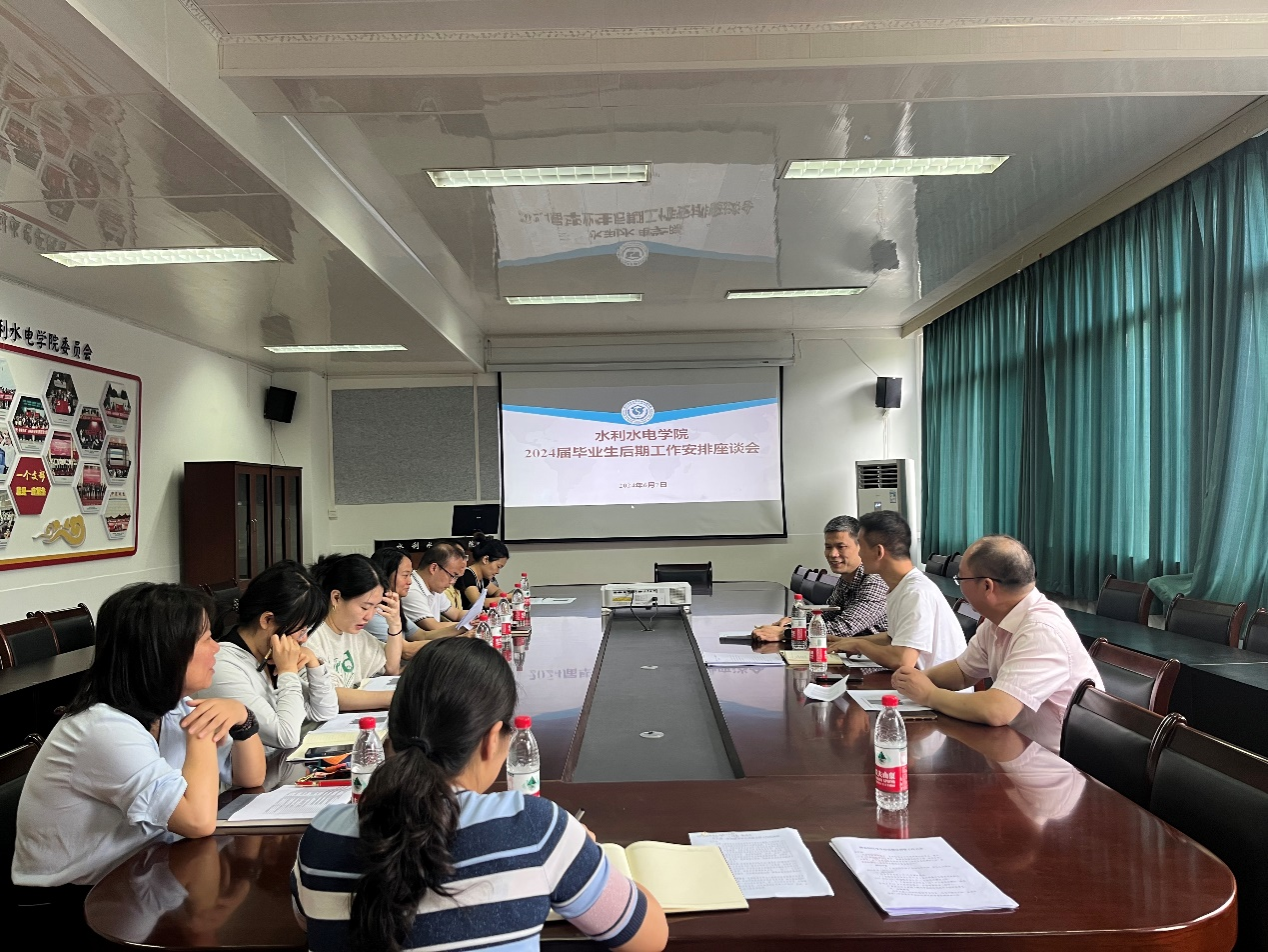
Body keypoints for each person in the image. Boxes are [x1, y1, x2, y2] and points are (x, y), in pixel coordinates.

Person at [292, 637, 668, 952]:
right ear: (491, 740)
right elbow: (648, 938)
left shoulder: (322, 835)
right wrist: (577, 854)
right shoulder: (534, 829)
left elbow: (309, 920)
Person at [13, 583, 267, 892]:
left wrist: (243, 720)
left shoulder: (171, 707)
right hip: (78, 897)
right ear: (164, 652)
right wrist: (201, 732)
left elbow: (248, 778)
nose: (217, 648)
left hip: (143, 869)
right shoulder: (103, 728)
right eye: (205, 639)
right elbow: (198, 821)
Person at [891, 534, 1104, 752]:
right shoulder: (999, 620)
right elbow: (962, 672)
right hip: (1018, 746)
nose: (959, 586)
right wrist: (915, 681)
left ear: (987, 586)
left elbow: (997, 710)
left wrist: (930, 695)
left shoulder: (1041, 631)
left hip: (1054, 760)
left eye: (961, 579)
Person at [196, 561, 339, 749]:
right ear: (267, 620)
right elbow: (286, 737)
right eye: (301, 629)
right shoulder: (222, 665)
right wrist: (288, 672)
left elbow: (326, 712)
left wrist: (313, 663)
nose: (304, 639)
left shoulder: (266, 658)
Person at [831, 510, 966, 672]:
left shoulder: (915, 592)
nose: (859, 553)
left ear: (879, 552)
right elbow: (893, 638)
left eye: (861, 546)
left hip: (937, 686)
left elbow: (902, 660)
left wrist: (859, 645)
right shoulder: (900, 586)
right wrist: (845, 641)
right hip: (918, 681)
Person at [754, 515, 888, 641]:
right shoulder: (846, 577)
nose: (833, 554)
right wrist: (794, 622)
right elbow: (829, 615)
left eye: (841, 547)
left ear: (861, 547)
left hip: (872, 655)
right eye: (828, 547)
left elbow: (843, 629)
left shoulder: (875, 581)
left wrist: (786, 633)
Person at [306, 554, 404, 711]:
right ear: (336, 598)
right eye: (365, 607)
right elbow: (330, 696)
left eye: (375, 607)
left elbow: (391, 668)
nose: (369, 616)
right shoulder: (310, 635)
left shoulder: (352, 632)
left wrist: (395, 624)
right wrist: (398, 698)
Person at [408, 542, 474, 637]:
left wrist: (476, 616)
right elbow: (434, 627)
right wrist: (469, 625)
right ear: (434, 568)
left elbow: (456, 614)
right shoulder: (411, 589)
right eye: (453, 575)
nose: (452, 582)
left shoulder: (434, 587)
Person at [457, 532, 508, 609]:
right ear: (485, 559)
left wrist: (502, 596)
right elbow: (480, 603)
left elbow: (496, 591)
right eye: (498, 567)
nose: (498, 572)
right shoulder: (467, 575)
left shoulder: (483, 578)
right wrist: (508, 597)